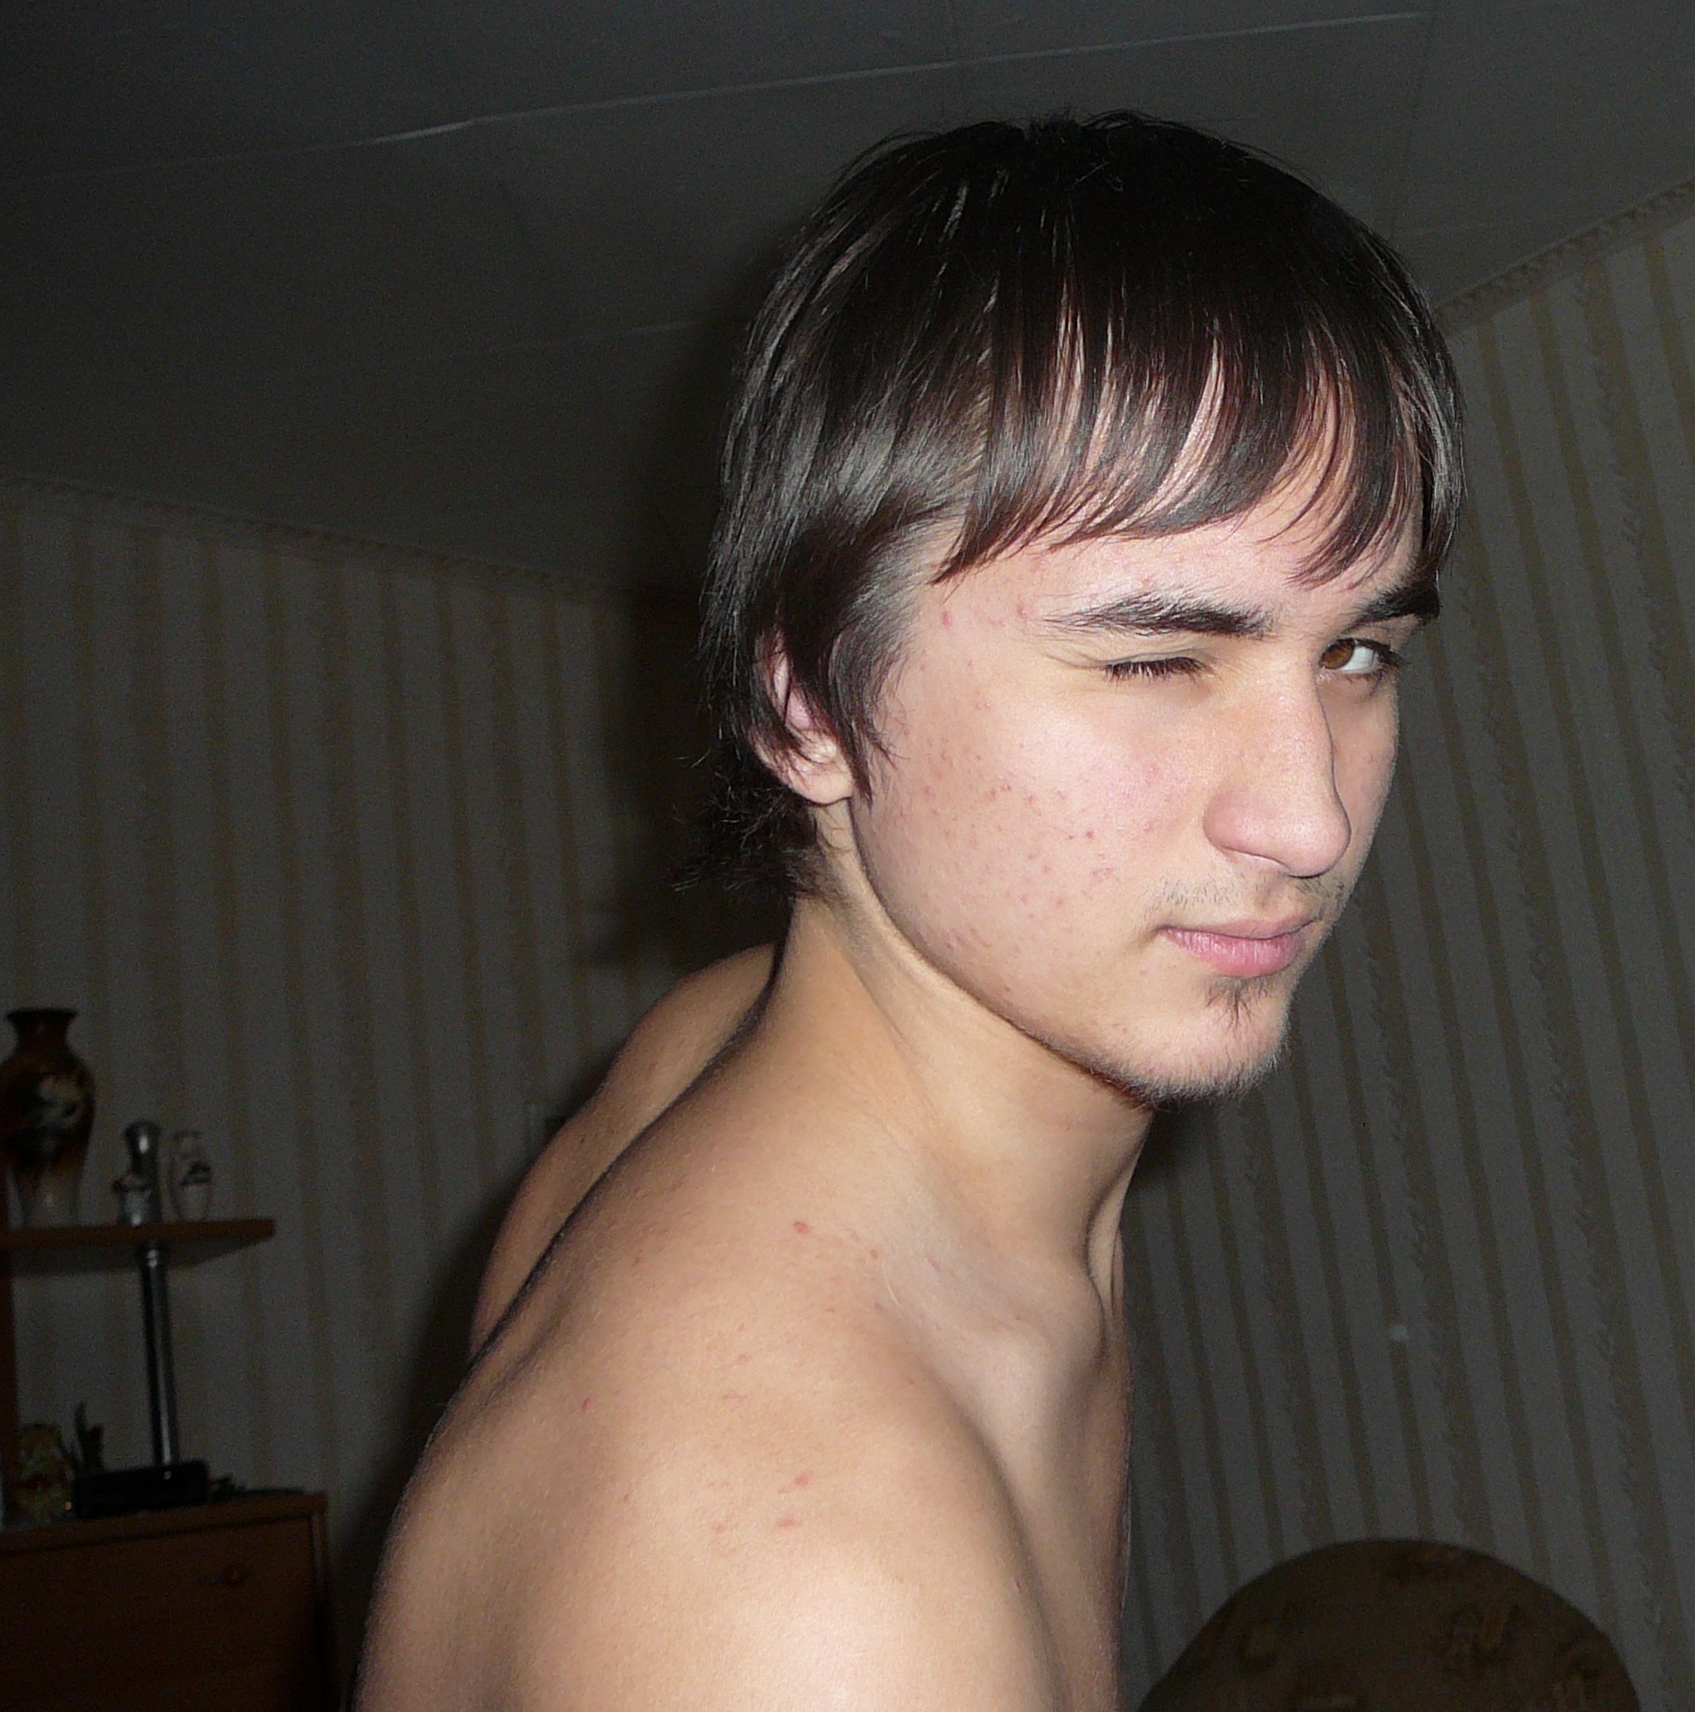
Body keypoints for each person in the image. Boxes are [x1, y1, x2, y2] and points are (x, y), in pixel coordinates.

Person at [358, 112, 1464, 1712]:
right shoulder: (817, 1603)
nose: (1311, 820)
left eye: (1357, 652)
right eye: (1155, 659)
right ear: (806, 702)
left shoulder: (713, 1058)